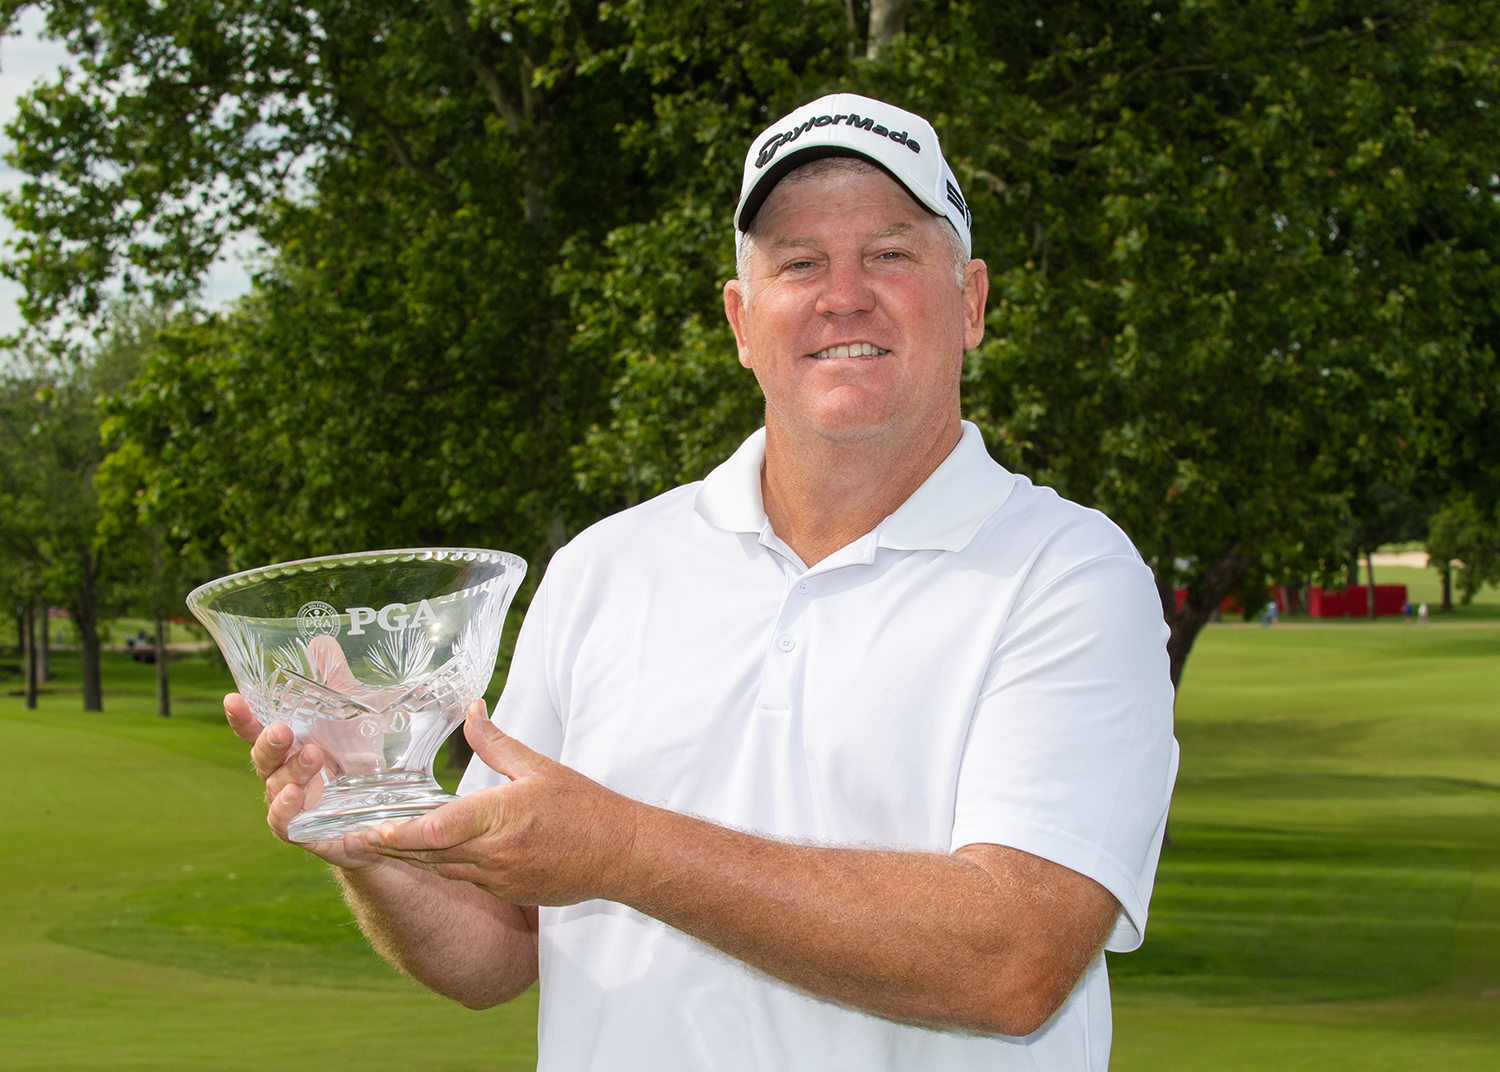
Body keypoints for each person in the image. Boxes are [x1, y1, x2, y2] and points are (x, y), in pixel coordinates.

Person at [226, 93, 1177, 1071]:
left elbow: (1013, 959)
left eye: (890, 253)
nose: (844, 295)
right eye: (798, 263)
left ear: (971, 302)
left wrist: (625, 851)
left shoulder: (1069, 573)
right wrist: (371, 833)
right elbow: (495, 946)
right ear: (740, 321)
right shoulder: (603, 568)